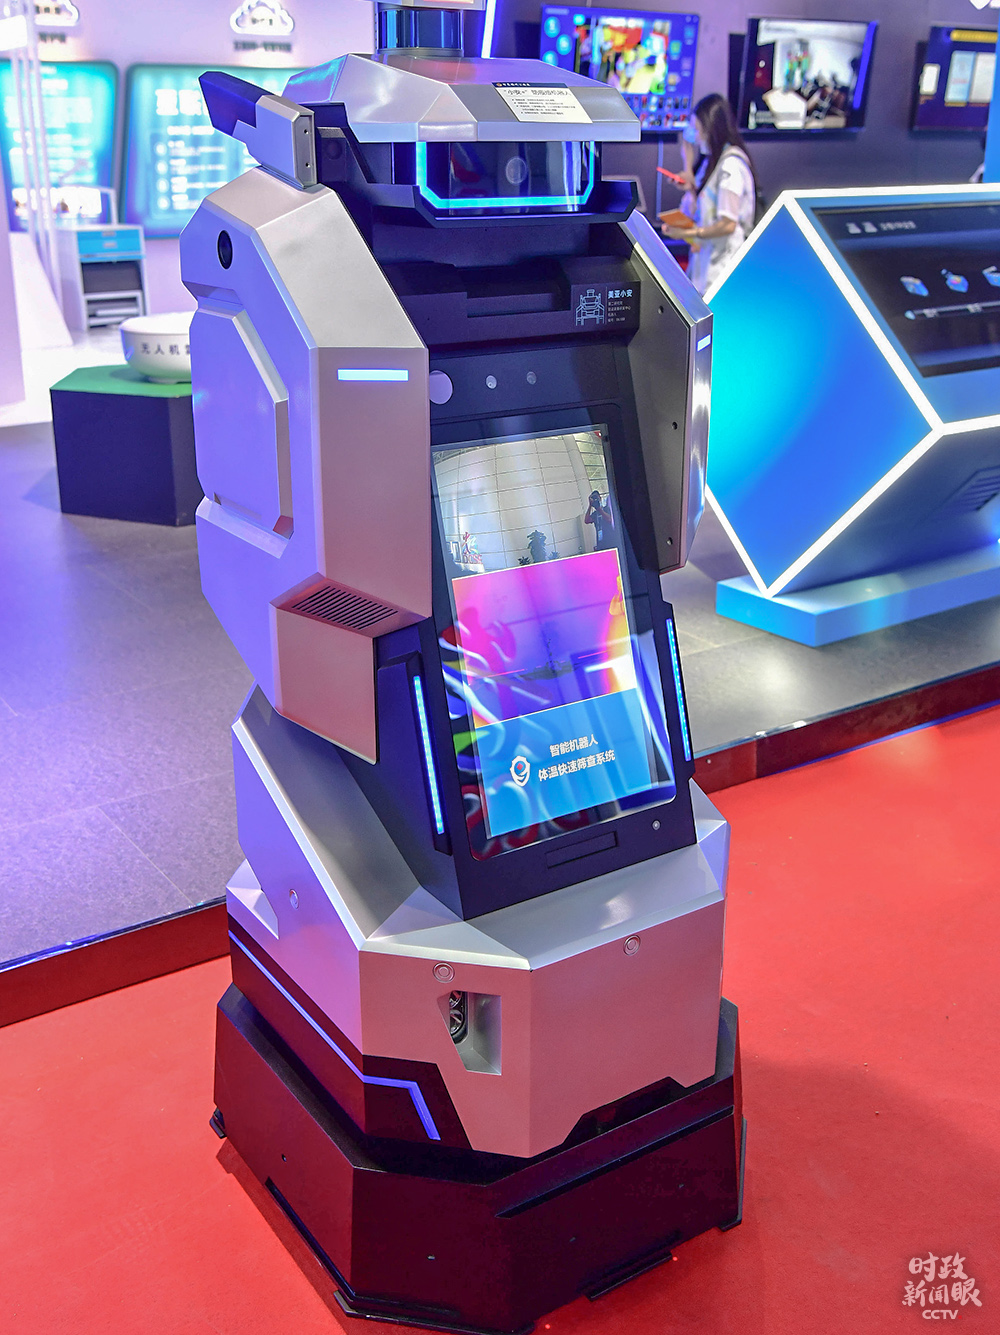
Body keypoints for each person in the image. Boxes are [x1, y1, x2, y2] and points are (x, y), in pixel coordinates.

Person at [661, 93, 758, 296]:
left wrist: (689, 233)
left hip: (723, 268)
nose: (695, 137)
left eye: (698, 129)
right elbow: (701, 210)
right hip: (705, 267)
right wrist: (688, 174)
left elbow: (728, 224)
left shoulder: (731, 165)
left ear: (711, 129)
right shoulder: (711, 163)